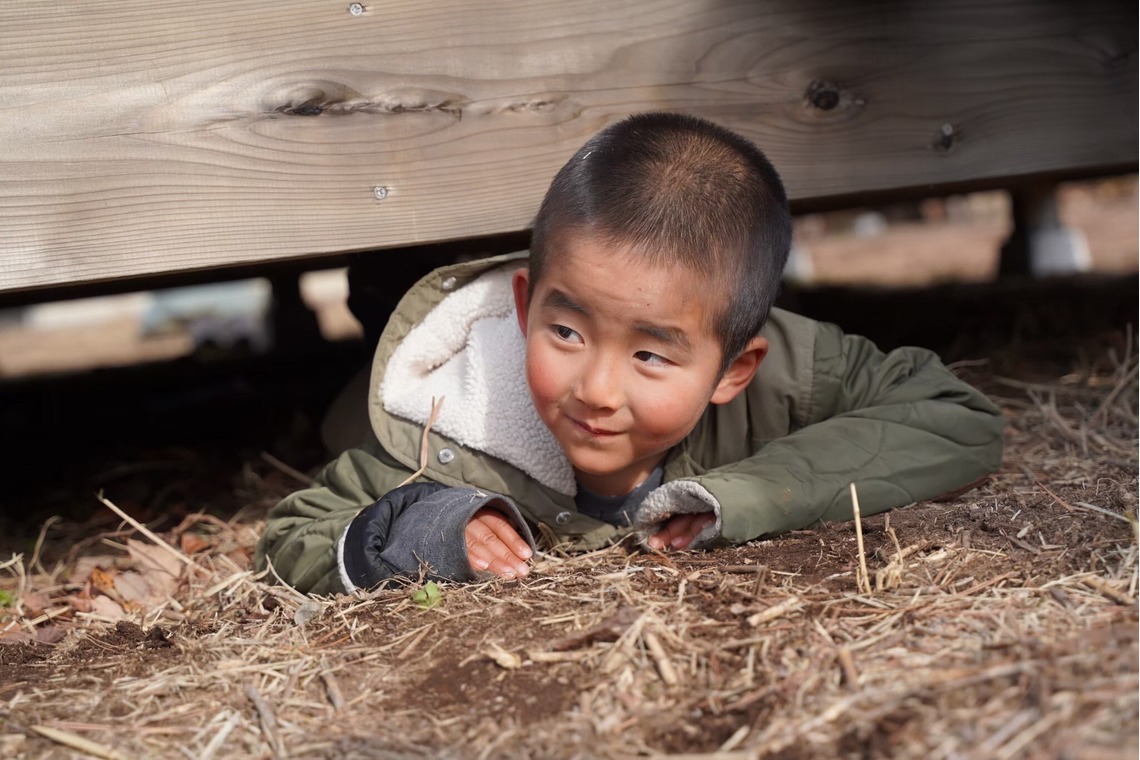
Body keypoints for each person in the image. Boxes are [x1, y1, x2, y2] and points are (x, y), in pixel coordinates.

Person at [255, 113, 1004, 595]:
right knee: (364, 339)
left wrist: (745, 496)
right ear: (524, 311)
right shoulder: (447, 416)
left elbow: (952, 413)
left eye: (651, 356)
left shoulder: (782, 368)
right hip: (365, 394)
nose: (597, 390)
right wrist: (429, 524)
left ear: (732, 371)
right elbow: (292, 533)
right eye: (567, 334)